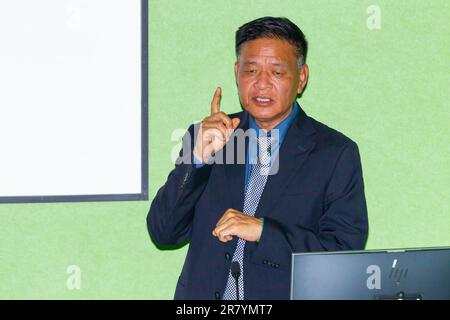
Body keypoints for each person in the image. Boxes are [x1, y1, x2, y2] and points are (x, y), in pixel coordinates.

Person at [147, 16, 368, 300]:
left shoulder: (335, 153)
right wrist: (196, 160)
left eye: (277, 72)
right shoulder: (211, 137)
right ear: (237, 73)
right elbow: (163, 232)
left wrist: (264, 231)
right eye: (251, 70)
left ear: (301, 78)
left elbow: (343, 255)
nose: (262, 84)